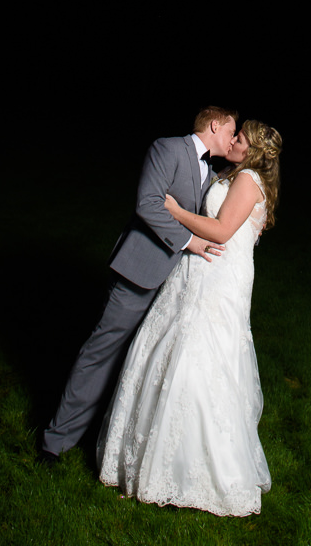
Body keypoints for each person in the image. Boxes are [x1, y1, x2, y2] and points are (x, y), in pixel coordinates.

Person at [97, 119, 282, 517]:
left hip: (218, 274)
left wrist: (176, 211)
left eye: (240, 138)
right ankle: (148, 460)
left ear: (249, 150)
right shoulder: (234, 174)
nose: (233, 141)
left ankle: (198, 467)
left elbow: (219, 231)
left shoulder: (247, 179)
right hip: (196, 270)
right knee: (168, 346)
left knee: (201, 356)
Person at [41, 106, 239, 462]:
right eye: (231, 131)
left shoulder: (210, 170)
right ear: (214, 125)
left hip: (178, 284)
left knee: (143, 362)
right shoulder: (167, 149)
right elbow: (148, 204)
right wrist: (188, 241)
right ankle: (55, 442)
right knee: (103, 352)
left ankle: (114, 444)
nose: (233, 138)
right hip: (140, 272)